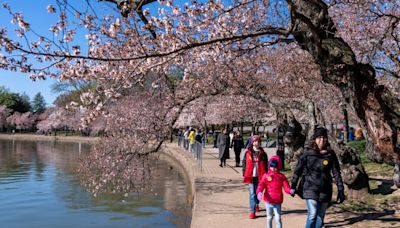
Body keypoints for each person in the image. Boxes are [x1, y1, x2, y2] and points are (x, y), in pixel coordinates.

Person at [290, 127, 345, 228]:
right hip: (310, 187)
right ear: (314, 139)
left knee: (320, 216)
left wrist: (341, 190)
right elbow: (298, 170)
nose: (322, 140)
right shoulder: (307, 153)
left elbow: (336, 173)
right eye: (319, 138)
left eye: (324, 138)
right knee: (312, 214)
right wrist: (293, 185)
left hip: (325, 189)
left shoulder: (330, 154)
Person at [256, 156, 294, 228]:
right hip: (268, 200)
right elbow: (261, 185)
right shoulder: (266, 176)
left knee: (278, 218)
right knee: (269, 217)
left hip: (277, 201)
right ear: (269, 166)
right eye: (272, 167)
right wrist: (259, 192)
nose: (273, 169)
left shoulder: (281, 177)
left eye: (275, 167)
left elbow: (286, 187)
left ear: (278, 166)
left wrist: (290, 191)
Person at [242, 135, 268, 219]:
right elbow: (244, 163)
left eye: (258, 141)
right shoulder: (248, 152)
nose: (256, 143)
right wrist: (244, 173)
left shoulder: (263, 153)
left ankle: (256, 203)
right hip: (250, 175)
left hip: (260, 175)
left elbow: (266, 164)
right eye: (255, 141)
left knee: (258, 193)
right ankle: (252, 212)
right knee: (252, 194)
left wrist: (267, 175)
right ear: (252, 142)